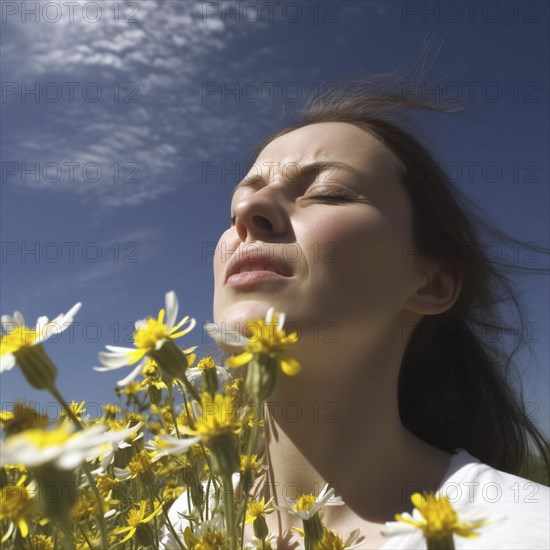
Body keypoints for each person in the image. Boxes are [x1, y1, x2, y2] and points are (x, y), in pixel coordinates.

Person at [166, 81, 549, 549]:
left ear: (432, 282)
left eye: (327, 193)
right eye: (234, 209)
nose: (248, 210)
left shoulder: (525, 530)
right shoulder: (181, 524)